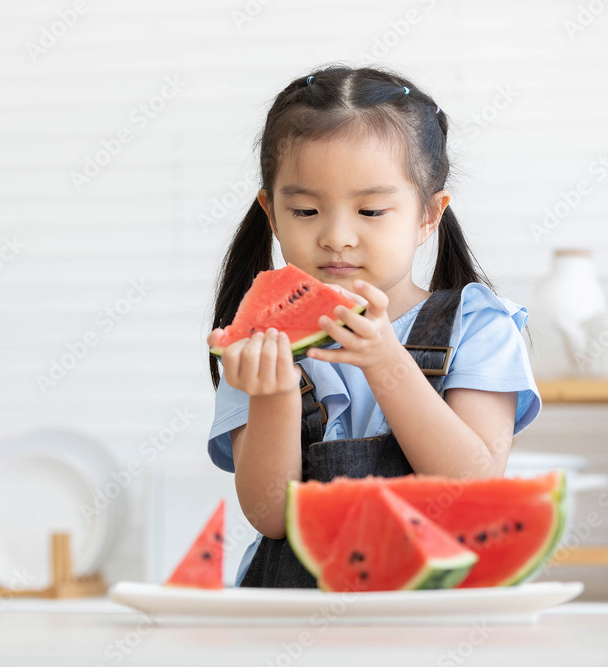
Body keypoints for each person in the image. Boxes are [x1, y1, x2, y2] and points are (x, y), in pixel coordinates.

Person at [204, 65, 542, 588]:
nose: (337, 236)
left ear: (429, 215)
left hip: (433, 618)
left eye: (371, 209)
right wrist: (272, 398)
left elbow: (472, 489)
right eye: (307, 209)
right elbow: (270, 516)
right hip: (290, 620)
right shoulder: (261, 343)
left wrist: (388, 362)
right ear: (272, 213)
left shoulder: (479, 328)